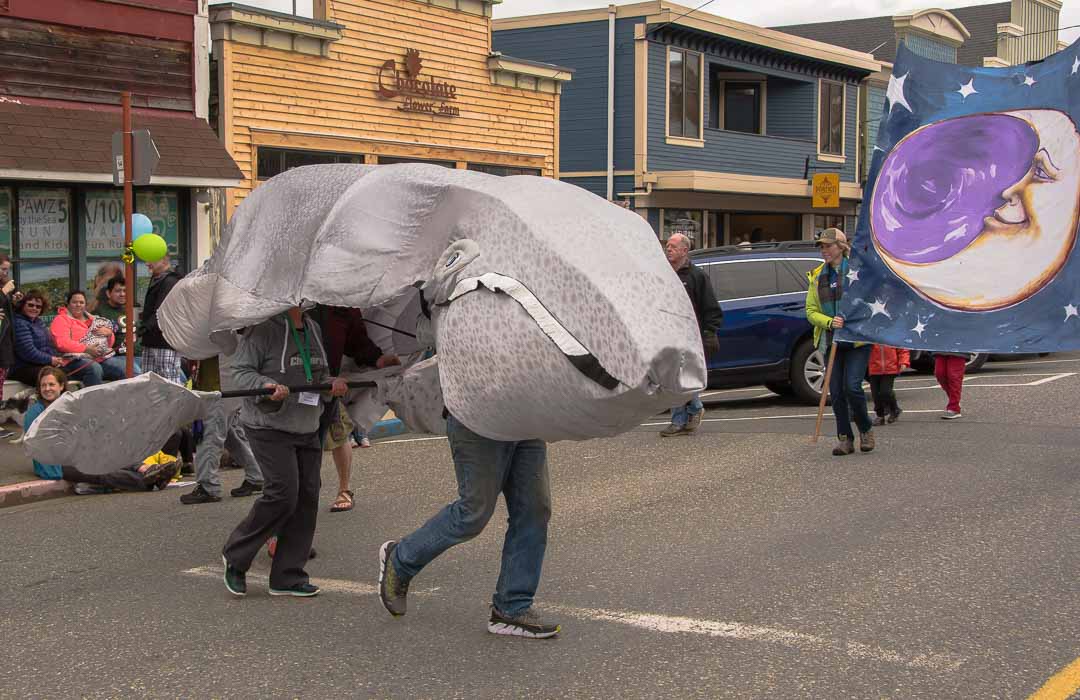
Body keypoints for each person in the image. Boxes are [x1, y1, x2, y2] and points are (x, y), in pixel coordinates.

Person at [378, 409, 559, 638]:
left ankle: (511, 608)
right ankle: (402, 558)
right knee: (473, 513)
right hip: (477, 419)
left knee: (534, 511)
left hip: (523, 419)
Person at [221, 307, 347, 598]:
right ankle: (236, 555)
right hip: (268, 426)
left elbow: (319, 374)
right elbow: (240, 372)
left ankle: (287, 577)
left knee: (306, 497)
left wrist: (331, 385)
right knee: (283, 492)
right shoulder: (263, 329)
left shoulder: (313, 327)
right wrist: (264, 385)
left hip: (307, 424)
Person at [23, 367, 177, 490]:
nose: (47, 389)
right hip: (54, 463)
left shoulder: (67, 405)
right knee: (100, 472)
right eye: (43, 385)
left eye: (51, 384)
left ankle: (146, 469)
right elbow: (38, 443)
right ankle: (146, 481)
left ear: (61, 386)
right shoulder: (35, 411)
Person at [311, 305, 399, 513]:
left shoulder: (341, 307)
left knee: (338, 435)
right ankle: (302, 492)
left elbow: (357, 341)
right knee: (300, 443)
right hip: (293, 389)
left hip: (328, 386)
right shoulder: (290, 307)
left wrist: (378, 359)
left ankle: (344, 489)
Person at [805, 229, 874, 456]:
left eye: (828, 246)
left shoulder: (857, 273)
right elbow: (811, 311)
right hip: (830, 340)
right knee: (835, 392)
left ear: (841, 247)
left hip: (856, 340)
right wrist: (829, 322)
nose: (824, 251)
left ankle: (865, 428)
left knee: (852, 387)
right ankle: (844, 438)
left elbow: (869, 303)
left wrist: (850, 320)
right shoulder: (817, 276)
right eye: (822, 247)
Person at [179, 351, 264, 505]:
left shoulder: (217, 330)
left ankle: (208, 486)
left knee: (210, 435)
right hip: (224, 385)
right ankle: (257, 475)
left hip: (218, 387)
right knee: (231, 435)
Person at [659, 233, 723, 437]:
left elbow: (710, 307)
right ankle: (694, 409)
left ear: (684, 251)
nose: (668, 249)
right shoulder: (663, 274)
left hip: (691, 337)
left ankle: (680, 419)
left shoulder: (697, 276)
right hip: (668, 334)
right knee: (673, 377)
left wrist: (709, 332)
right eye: (667, 246)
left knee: (682, 377)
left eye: (673, 246)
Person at [11, 290, 103, 388]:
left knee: (85, 370)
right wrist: (50, 359)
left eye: (38, 306)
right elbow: (28, 352)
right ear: (22, 306)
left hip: (44, 363)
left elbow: (49, 346)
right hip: (24, 367)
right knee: (56, 378)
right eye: (30, 305)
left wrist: (56, 358)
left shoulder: (38, 322)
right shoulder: (19, 323)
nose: (34, 308)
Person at [49, 290, 131, 382]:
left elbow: (109, 344)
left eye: (81, 302)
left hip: (100, 357)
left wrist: (109, 334)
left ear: (85, 305)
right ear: (68, 304)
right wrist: (86, 349)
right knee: (94, 369)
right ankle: (93, 396)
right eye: (74, 302)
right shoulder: (61, 319)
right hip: (72, 360)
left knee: (125, 368)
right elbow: (62, 343)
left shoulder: (95, 319)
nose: (78, 305)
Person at [139, 255, 183, 384]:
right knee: (148, 380)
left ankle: (173, 404)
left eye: (151, 259)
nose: (147, 263)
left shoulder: (170, 281)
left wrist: (145, 327)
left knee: (168, 379)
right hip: (151, 338)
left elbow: (161, 309)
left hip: (165, 340)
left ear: (165, 260)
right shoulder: (158, 279)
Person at [868, 344, 909, 426]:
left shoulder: (892, 334)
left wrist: (904, 362)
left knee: (885, 392)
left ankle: (894, 409)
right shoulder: (872, 335)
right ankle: (880, 416)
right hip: (874, 369)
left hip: (890, 369)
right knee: (875, 395)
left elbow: (902, 349)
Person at [0, 255, 18, 437]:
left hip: (5, 342)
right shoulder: (2, 289)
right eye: (3, 269)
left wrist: (14, 300)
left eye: (7, 270)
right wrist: (4, 292)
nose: (6, 273)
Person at [934, 352, 967, 419]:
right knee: (939, 374)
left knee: (954, 376)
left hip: (959, 348)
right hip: (941, 348)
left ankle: (954, 408)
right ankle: (955, 400)